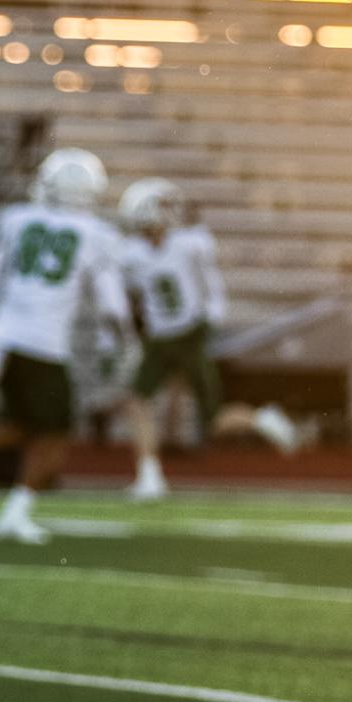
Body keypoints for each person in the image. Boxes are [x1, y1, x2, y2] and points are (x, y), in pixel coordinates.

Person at [0, 149, 128, 542]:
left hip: (5, 337)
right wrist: (116, 344)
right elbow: (111, 305)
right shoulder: (96, 236)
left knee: (31, 423)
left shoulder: (17, 221)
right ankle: (13, 510)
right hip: (44, 344)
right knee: (55, 431)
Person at [118, 178, 296, 498]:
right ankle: (150, 476)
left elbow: (211, 285)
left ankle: (261, 419)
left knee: (212, 420)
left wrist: (211, 319)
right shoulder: (132, 254)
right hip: (160, 338)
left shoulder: (191, 244)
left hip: (189, 334)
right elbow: (131, 296)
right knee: (137, 400)